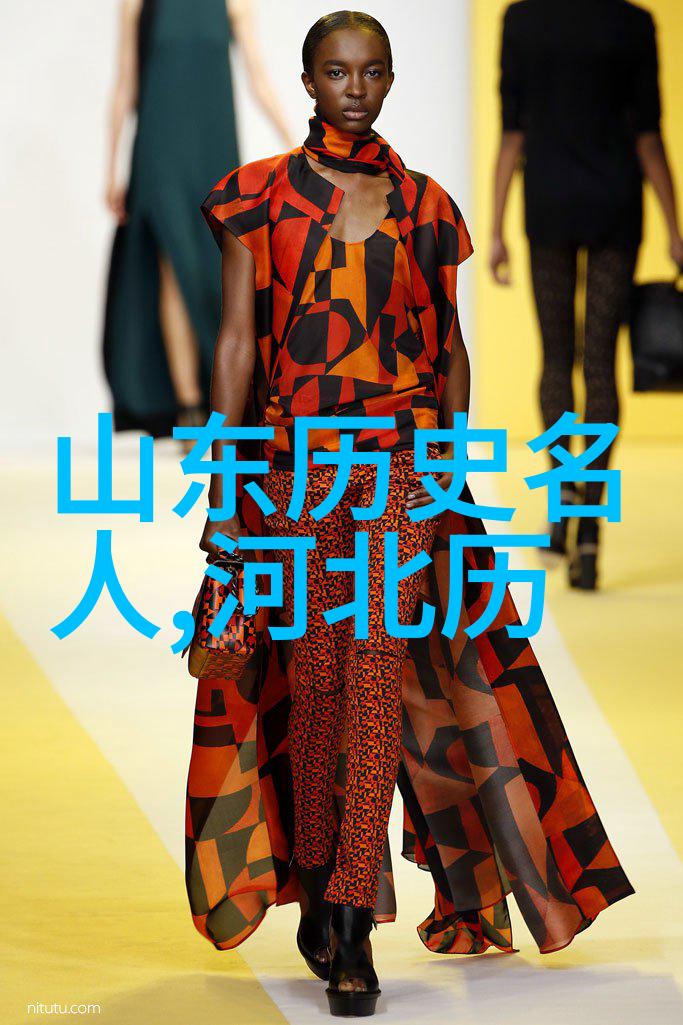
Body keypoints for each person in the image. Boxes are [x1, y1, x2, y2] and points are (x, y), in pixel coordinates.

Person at [185, 11, 634, 1017]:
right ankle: (316, 885)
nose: (355, 87)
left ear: (389, 80)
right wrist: (224, 491)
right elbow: (234, 347)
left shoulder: (427, 206)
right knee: (313, 689)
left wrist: (442, 470)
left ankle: (351, 918)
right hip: (294, 474)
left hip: (396, 468)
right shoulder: (256, 197)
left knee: (376, 683)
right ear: (307, 80)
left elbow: (451, 349)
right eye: (336, 71)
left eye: (371, 70)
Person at [490, 0, 683, 589]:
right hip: (615, 204)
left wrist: (495, 229)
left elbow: (513, 134)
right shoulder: (632, 23)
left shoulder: (523, 20)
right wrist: (675, 229)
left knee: (557, 358)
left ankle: (561, 500)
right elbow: (648, 137)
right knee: (600, 363)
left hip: (548, 203)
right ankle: (590, 530)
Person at [102, 0, 293, 449]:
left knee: (216, 272)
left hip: (213, 150)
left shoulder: (233, 3)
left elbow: (257, 77)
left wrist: (296, 145)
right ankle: (188, 405)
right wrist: (111, 169)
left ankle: (223, 402)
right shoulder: (137, 4)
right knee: (174, 265)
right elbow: (126, 83)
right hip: (159, 152)